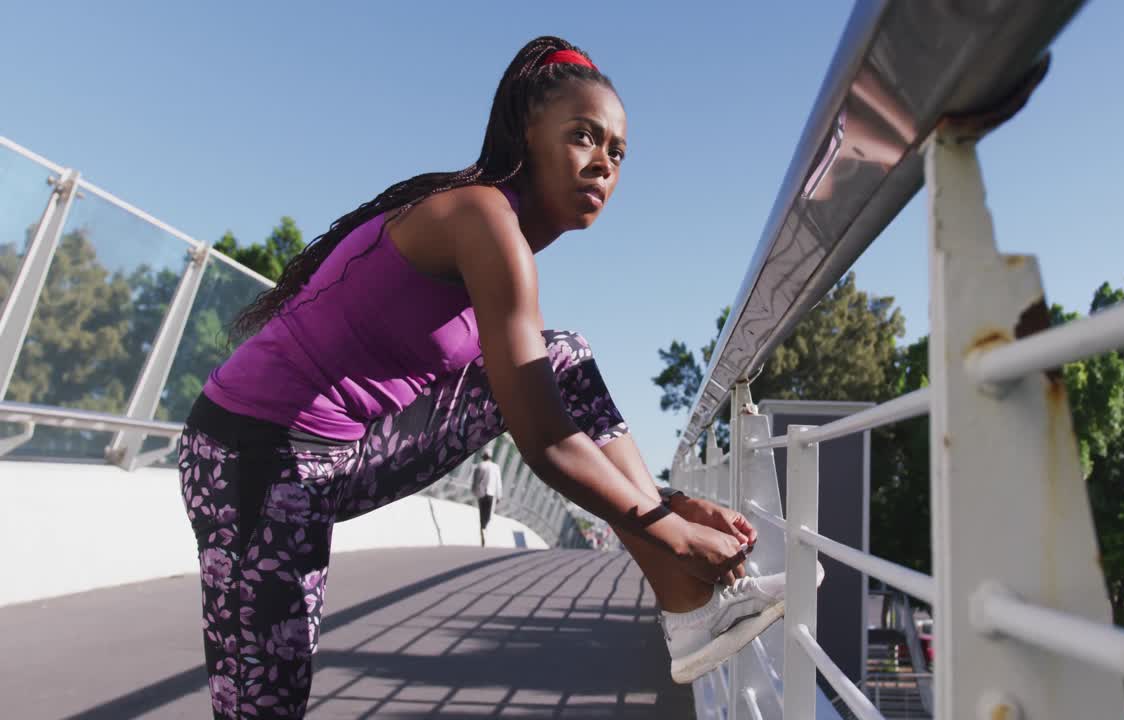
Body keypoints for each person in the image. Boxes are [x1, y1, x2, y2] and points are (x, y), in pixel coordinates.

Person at [178, 36, 809, 719]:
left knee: (559, 354)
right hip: (252, 456)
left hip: (342, 454)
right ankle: (680, 582)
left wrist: (667, 501)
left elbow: (544, 404)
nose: (603, 163)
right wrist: (672, 527)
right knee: (263, 709)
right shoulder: (482, 218)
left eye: (617, 152)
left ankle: (686, 606)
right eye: (582, 137)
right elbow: (542, 439)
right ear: (526, 134)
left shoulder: (501, 241)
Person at [470, 450, 503, 545]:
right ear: (490, 457)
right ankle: (484, 528)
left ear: (483, 456)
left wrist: (474, 491)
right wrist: (499, 495)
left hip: (481, 493)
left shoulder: (479, 466)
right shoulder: (496, 467)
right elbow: (498, 483)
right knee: (488, 514)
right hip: (491, 493)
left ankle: (482, 528)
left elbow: (475, 481)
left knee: (482, 512)